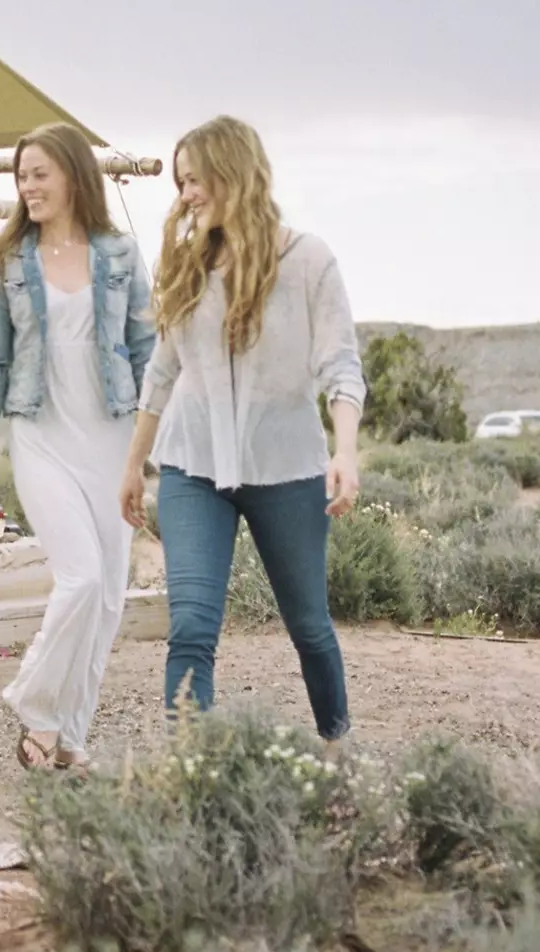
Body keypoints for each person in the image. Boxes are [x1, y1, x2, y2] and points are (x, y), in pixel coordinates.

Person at [116, 116, 363, 745]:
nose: (187, 193)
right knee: (192, 628)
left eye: (197, 178)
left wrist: (345, 452)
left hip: (286, 468)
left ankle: (338, 750)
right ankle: (191, 771)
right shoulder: (188, 264)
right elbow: (162, 371)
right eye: (181, 182)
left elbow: (340, 366)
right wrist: (135, 464)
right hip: (192, 467)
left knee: (309, 627)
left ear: (236, 172)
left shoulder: (308, 261)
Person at [0, 122, 156, 772]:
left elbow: (149, 351)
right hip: (39, 434)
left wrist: (156, 445)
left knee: (108, 595)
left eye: (40, 174)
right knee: (82, 576)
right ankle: (38, 709)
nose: (29, 187)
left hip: (112, 439)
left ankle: (70, 735)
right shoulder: (6, 262)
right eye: (22, 176)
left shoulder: (121, 255)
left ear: (73, 175)